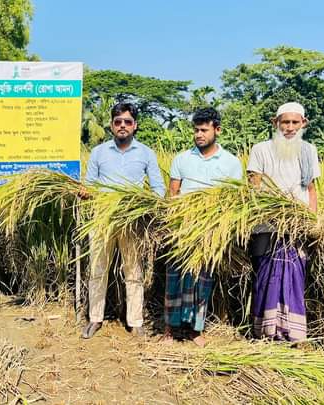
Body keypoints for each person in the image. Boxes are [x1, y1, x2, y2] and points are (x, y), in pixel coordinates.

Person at [80, 102, 166, 339]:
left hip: (132, 220)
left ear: (135, 125)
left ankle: (135, 322)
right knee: (97, 269)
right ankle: (95, 319)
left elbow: (158, 187)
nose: (122, 126)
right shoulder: (98, 152)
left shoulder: (146, 153)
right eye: (118, 122)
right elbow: (90, 183)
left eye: (127, 122)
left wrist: (148, 205)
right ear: (111, 125)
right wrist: (86, 192)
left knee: (134, 270)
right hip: (102, 218)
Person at [163, 107, 242, 346]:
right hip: (182, 227)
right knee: (174, 277)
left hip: (210, 229)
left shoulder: (231, 162)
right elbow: (173, 193)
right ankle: (170, 329)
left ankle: (196, 330)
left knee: (202, 279)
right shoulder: (182, 159)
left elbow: (235, 198)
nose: (199, 134)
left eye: (204, 130)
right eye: (196, 130)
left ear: (217, 130)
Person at [246, 102, 320, 342]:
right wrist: (267, 210)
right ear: (275, 123)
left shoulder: (309, 151)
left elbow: (310, 189)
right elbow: (253, 187)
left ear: (303, 124)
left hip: (297, 225)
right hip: (266, 223)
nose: (289, 128)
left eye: (294, 122)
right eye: (285, 122)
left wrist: (312, 220)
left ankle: (293, 333)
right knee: (266, 274)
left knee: (294, 274)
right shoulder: (260, 150)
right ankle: (265, 332)